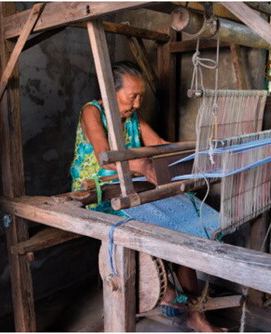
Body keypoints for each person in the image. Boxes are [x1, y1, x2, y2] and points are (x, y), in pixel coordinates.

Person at [70, 61, 225, 332]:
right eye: (133, 96)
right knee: (160, 233)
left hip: (131, 185)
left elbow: (160, 145)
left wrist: (202, 154)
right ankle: (172, 300)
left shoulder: (131, 116)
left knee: (185, 228)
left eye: (141, 95)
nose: (139, 102)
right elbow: (104, 157)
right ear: (110, 91)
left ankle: (192, 310)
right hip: (97, 189)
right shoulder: (91, 112)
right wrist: (143, 166)